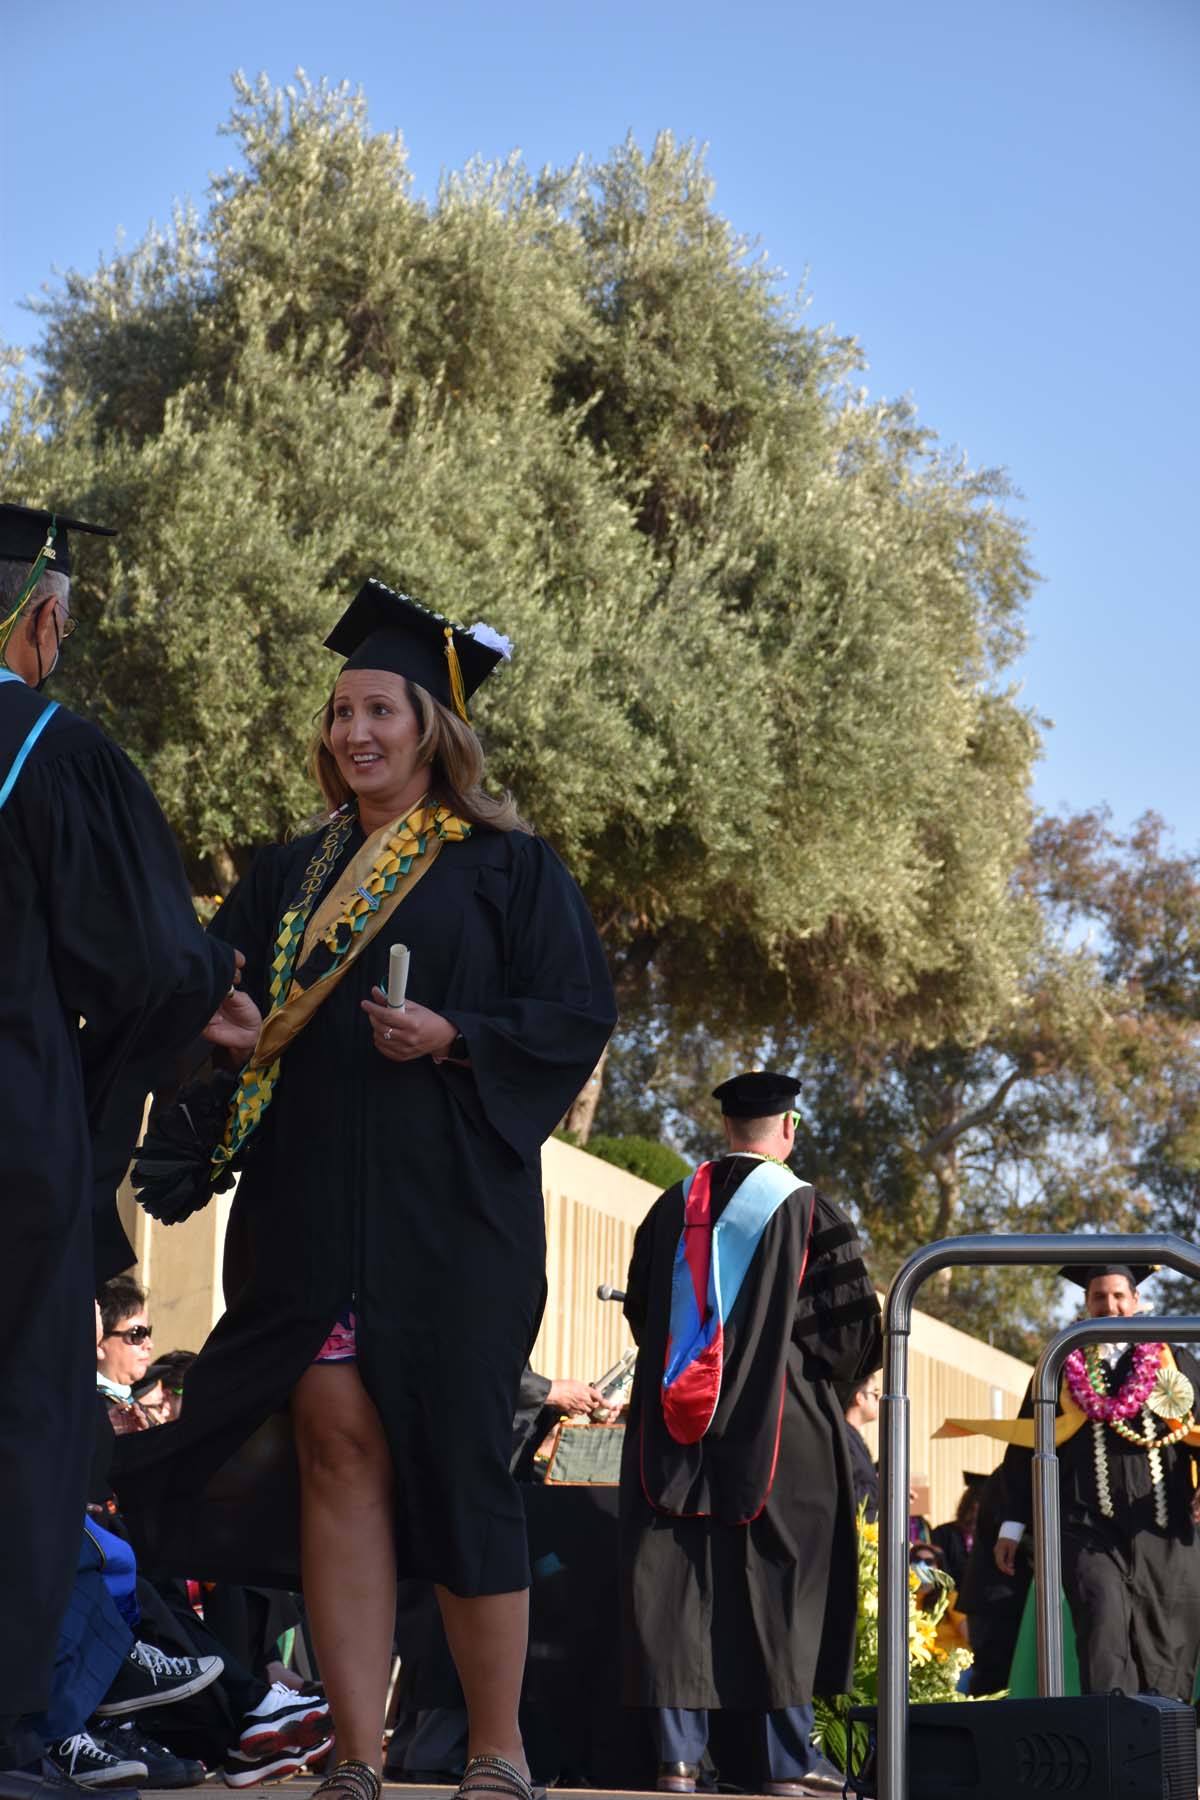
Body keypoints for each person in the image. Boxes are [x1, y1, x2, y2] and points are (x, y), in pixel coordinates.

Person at [114, 579, 616, 1800]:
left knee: (453, 1459)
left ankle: (497, 1749)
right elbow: (211, 986)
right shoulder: (292, 870)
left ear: (433, 727)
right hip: (306, 1216)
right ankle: (354, 1750)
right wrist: (221, 1028)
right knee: (336, 1451)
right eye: (341, 712)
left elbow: (574, 1015)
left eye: (379, 709)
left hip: (448, 1220)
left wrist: (454, 1037)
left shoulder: (509, 868)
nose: (355, 733)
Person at [0, 502, 236, 1799]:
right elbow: (146, 963)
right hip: (9, 1161)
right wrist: (205, 1001)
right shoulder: (47, 745)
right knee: (20, 1424)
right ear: (44, 620)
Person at [619, 1070, 882, 1799]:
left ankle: (677, 1759)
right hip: (782, 1424)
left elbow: (644, 1314)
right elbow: (850, 1332)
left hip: (673, 1427)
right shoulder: (808, 1210)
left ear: (728, 1129)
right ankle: (781, 1763)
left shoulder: (673, 1207)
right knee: (780, 1579)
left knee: (675, 1578)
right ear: (788, 1130)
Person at [949, 1262, 1200, 1701]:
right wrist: (1012, 1525)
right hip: (1087, 1526)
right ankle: (1111, 1749)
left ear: (1136, 1301)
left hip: (1162, 1526)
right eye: (1099, 1297)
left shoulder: (1173, 1361)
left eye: (1119, 1296)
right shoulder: (1061, 1367)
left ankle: (1164, 1755)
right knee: (1101, 1624)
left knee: (1167, 1642)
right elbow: (1027, 1444)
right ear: (1086, 1305)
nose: (1111, 1305)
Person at [96, 1279, 156, 1436]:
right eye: (138, 1334)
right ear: (100, 1343)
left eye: (148, 1333)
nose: (149, 1344)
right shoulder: (82, 1408)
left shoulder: (137, 1405)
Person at [930, 1474, 986, 1591]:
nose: (978, 1508)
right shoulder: (943, 1534)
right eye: (976, 1501)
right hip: (950, 1598)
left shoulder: (994, 1539)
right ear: (967, 1504)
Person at [837, 1375, 880, 1523]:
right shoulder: (843, 1437)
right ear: (859, 1398)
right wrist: (886, 1489)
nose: (878, 1401)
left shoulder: (852, 1436)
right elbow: (850, 1489)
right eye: (875, 1394)